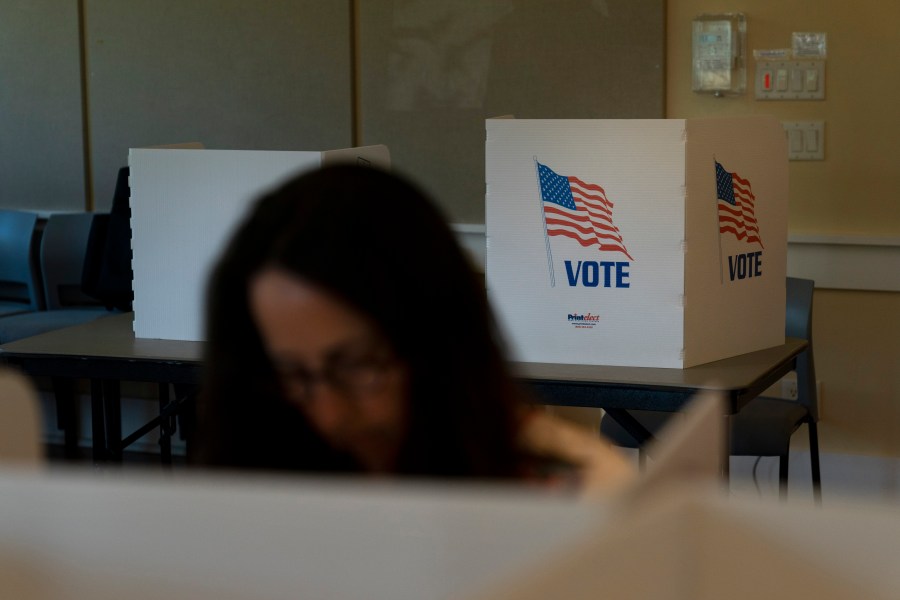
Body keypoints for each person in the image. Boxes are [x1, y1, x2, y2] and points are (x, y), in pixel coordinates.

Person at [194, 164, 634, 493]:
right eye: (291, 374)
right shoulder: (250, 479)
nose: (328, 415)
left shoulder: (576, 487)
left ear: (438, 345)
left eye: (356, 366)